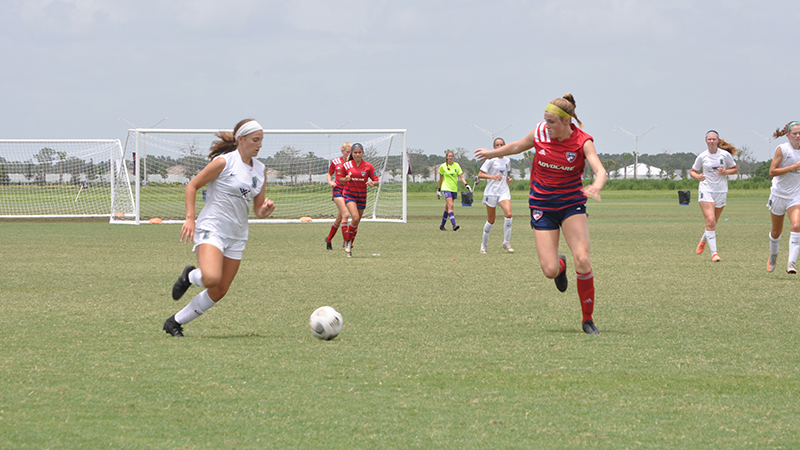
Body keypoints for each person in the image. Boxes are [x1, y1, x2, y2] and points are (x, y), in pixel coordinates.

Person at [474, 93, 606, 335]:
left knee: (584, 260)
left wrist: (596, 185)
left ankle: (588, 319)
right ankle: (561, 264)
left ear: (567, 122)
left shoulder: (583, 141)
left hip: (571, 204)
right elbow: (516, 146)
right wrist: (490, 153)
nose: (547, 125)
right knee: (550, 271)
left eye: (552, 122)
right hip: (542, 205)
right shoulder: (540, 133)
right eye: (545, 120)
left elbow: (599, 168)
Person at [163, 119, 275, 337]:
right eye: (255, 140)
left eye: (261, 140)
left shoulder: (260, 170)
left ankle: (174, 322)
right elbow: (192, 186)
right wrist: (190, 218)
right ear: (240, 139)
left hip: (238, 235)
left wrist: (265, 209)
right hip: (212, 228)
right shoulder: (224, 162)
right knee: (211, 277)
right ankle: (190, 276)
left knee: (219, 289)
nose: (259, 144)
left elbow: (258, 209)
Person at [690, 130, 738, 262]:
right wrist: (698, 176)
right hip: (706, 190)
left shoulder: (725, 155)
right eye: (709, 139)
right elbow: (692, 171)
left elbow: (734, 169)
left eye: (714, 139)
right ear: (706, 141)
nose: (711, 141)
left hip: (721, 191)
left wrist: (726, 172)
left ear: (717, 141)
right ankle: (714, 254)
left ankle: (703, 240)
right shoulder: (702, 156)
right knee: (710, 221)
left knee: (713, 223)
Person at [766, 121, 800, 274]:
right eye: (795, 133)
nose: (798, 136)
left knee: (796, 226)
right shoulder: (782, 149)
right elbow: (772, 172)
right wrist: (793, 167)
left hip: (795, 196)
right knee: (776, 231)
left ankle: (791, 263)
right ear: (788, 135)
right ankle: (773, 256)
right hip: (779, 194)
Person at [341, 143, 379, 257]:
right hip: (349, 195)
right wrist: (345, 179)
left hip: (362, 196)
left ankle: (349, 243)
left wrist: (373, 183)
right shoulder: (347, 165)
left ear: (363, 153)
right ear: (352, 153)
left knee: (356, 223)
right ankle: (347, 243)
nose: (357, 154)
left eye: (359, 152)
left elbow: (377, 181)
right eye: (355, 152)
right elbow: (341, 179)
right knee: (355, 217)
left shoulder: (368, 166)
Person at [478, 137, 514, 254]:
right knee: (491, 220)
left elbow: (504, 173)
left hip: (503, 191)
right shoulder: (490, 160)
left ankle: (506, 242)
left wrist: (508, 178)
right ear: (494, 147)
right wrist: (493, 177)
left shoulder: (507, 160)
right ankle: (483, 245)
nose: (499, 147)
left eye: (501, 145)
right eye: (497, 145)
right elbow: (480, 175)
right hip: (491, 192)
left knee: (508, 214)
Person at [325, 142, 352, 250]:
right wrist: (330, 182)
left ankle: (329, 239)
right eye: (347, 152)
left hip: (348, 191)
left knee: (339, 218)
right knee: (345, 214)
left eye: (351, 152)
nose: (349, 154)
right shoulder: (336, 161)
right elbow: (329, 174)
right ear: (342, 151)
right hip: (338, 190)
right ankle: (346, 242)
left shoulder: (352, 164)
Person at [437, 150, 470, 231]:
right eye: (449, 156)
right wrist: (438, 189)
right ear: (446, 157)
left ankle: (442, 225)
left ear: (453, 157)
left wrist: (466, 184)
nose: (450, 157)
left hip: (454, 188)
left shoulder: (456, 165)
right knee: (450, 205)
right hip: (445, 188)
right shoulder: (443, 166)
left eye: (451, 156)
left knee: (447, 207)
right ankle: (454, 225)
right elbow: (440, 179)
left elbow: (461, 176)